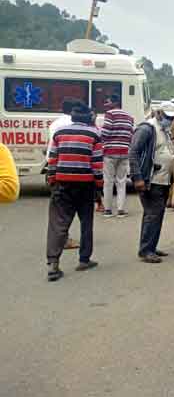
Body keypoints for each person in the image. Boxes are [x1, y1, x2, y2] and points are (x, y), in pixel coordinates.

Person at [45, 103, 103, 282]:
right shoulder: (95, 135)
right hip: (85, 186)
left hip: (62, 185)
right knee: (86, 222)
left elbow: (52, 160)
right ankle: (84, 260)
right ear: (88, 117)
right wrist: (99, 188)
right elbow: (97, 166)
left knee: (58, 225)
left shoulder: (59, 133)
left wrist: (52, 180)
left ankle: (53, 264)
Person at [129, 104, 174, 263]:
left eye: (172, 118)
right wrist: (137, 177)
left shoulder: (164, 130)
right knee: (153, 214)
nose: (170, 120)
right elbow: (133, 152)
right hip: (151, 180)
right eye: (168, 117)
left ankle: (150, 246)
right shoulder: (147, 129)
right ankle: (146, 250)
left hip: (163, 180)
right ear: (159, 113)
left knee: (156, 214)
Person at [46, 99, 81, 248]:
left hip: (53, 166)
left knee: (58, 209)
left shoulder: (55, 123)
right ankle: (64, 240)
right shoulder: (71, 124)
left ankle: (58, 240)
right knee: (68, 210)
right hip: (68, 168)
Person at [99, 94, 134, 217]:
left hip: (110, 152)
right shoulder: (130, 117)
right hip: (124, 152)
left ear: (114, 103)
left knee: (108, 182)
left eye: (107, 102)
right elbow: (131, 135)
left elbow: (105, 132)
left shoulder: (110, 114)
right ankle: (120, 210)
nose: (105, 105)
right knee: (121, 181)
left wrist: (100, 136)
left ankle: (108, 210)